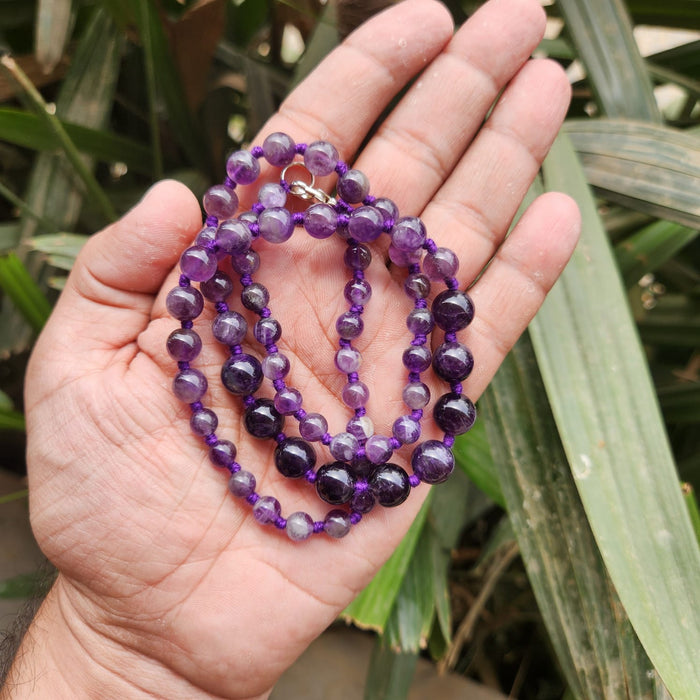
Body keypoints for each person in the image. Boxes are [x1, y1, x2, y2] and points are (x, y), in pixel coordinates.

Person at [0, 0, 580, 697]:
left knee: (398, 390)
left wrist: (110, 655)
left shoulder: (398, 289)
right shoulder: (224, 273)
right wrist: (115, 646)